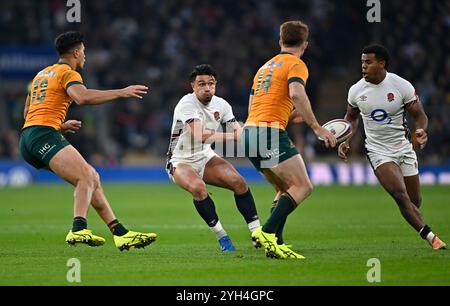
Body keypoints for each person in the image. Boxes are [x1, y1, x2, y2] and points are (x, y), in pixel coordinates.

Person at [19, 31, 157, 251]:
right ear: (75, 52)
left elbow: (28, 112)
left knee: (92, 176)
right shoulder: (68, 72)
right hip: (43, 135)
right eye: (83, 51)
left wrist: (60, 125)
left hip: (29, 137)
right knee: (85, 177)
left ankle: (120, 233)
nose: (85, 56)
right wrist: (121, 92)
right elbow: (82, 97)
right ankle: (78, 228)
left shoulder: (41, 75)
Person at [242, 21, 337, 259]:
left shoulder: (264, 68)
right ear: (305, 44)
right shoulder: (296, 64)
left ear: (280, 41)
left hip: (250, 132)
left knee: (284, 188)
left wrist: (288, 115)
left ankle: (276, 244)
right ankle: (266, 232)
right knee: (303, 186)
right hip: (269, 132)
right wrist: (316, 127)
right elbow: (296, 93)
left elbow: (255, 106)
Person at [338, 44, 446, 250]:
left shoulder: (400, 86)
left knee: (414, 201)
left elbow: (420, 115)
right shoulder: (356, 90)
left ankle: (419, 223)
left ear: (382, 63)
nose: (363, 67)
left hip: (403, 148)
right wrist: (345, 139)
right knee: (399, 194)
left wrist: (421, 130)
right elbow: (351, 119)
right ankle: (432, 237)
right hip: (377, 150)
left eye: (368, 62)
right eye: (362, 62)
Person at [166, 64, 261, 252]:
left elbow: (238, 130)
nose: (207, 88)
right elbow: (199, 135)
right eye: (201, 84)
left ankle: (257, 233)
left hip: (205, 156)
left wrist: (252, 141)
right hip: (180, 160)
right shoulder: (187, 104)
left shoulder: (222, 105)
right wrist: (233, 137)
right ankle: (222, 236)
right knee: (198, 189)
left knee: (239, 182)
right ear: (193, 86)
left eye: (211, 83)